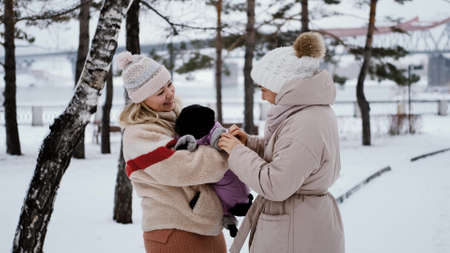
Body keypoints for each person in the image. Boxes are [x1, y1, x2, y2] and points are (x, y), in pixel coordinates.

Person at [218, 32, 345, 253]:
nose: (262, 95)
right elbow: (287, 154)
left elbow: (276, 184)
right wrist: (249, 143)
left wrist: (237, 152)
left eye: (263, 88)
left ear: (283, 85)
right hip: (299, 224)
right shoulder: (309, 114)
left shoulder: (306, 124)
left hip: (294, 231)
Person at [116, 51, 228, 253]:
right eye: (160, 92)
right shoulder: (139, 134)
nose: (170, 93)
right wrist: (226, 150)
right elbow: (185, 167)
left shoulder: (174, 118)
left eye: (169, 84)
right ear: (141, 99)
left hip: (203, 224)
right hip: (174, 230)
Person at [174, 104, 254, 237]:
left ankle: (230, 219)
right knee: (221, 204)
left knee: (220, 200)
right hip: (233, 190)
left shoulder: (212, 135)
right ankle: (230, 222)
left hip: (231, 187)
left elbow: (217, 140)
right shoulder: (205, 132)